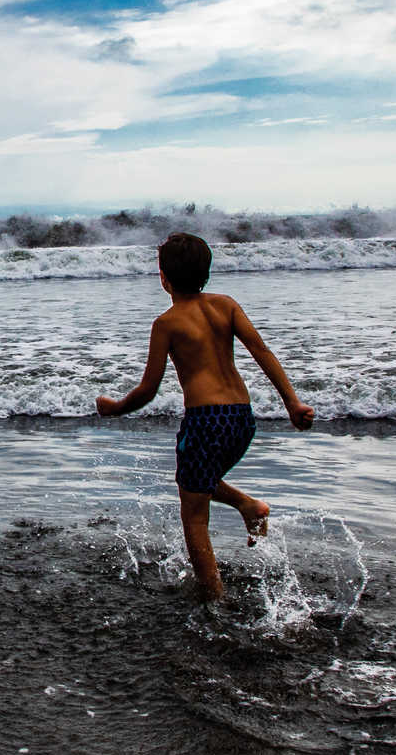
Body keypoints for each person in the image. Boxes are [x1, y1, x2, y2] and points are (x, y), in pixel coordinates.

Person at [96, 233, 314, 602]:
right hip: (242, 418)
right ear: (207, 273)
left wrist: (116, 407)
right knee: (196, 481)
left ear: (163, 277)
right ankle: (249, 506)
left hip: (204, 419)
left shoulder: (166, 323)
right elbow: (262, 352)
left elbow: (148, 389)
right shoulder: (226, 305)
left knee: (194, 513)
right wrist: (292, 403)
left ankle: (214, 596)